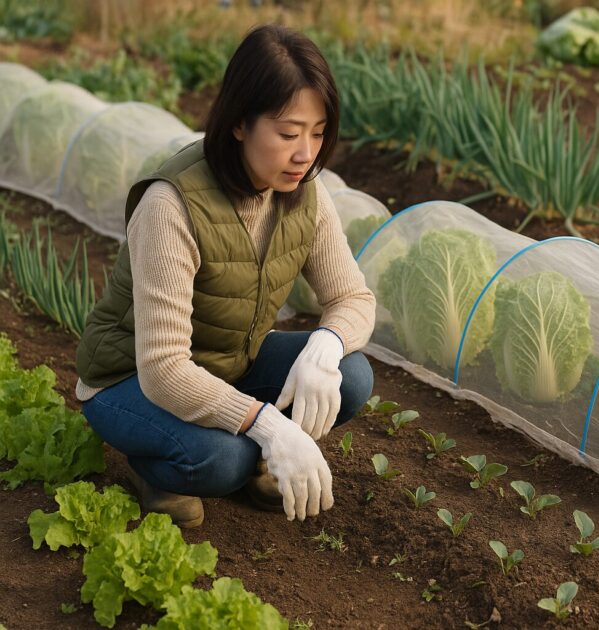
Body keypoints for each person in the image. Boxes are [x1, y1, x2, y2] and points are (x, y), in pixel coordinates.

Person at [74, 24, 376, 527]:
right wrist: (270, 427)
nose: (306, 154)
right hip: (129, 380)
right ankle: (158, 470)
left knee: (350, 375)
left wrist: (325, 346)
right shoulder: (171, 206)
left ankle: (248, 448)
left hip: (224, 365)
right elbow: (165, 368)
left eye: (318, 133)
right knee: (222, 461)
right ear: (239, 123)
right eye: (287, 133)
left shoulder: (305, 194)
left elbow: (354, 298)